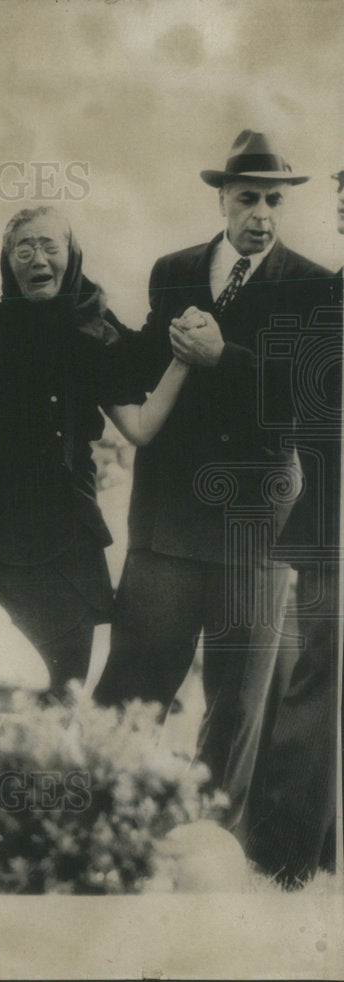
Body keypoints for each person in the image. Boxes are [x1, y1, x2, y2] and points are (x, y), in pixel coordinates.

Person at [93, 131, 338, 836]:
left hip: (254, 527)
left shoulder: (313, 283)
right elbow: (141, 360)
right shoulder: (173, 270)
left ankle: (209, 860)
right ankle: (103, 838)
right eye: (247, 198)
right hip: (166, 523)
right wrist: (84, 333)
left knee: (234, 708)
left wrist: (220, 355)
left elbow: (305, 395)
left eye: (274, 200)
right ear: (222, 198)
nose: (261, 213)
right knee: (133, 692)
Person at [0, 207, 190, 696]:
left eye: (48, 245)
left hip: (68, 534)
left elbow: (141, 428)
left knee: (63, 692)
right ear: (7, 260)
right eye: (23, 248)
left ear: (72, 256)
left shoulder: (94, 329)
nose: (36, 257)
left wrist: (184, 363)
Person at [243, 169, 343, 886]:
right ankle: (287, 856)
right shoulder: (333, 294)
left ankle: (298, 851)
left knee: (319, 686)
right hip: (331, 521)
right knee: (320, 685)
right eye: (343, 206)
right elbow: (305, 415)